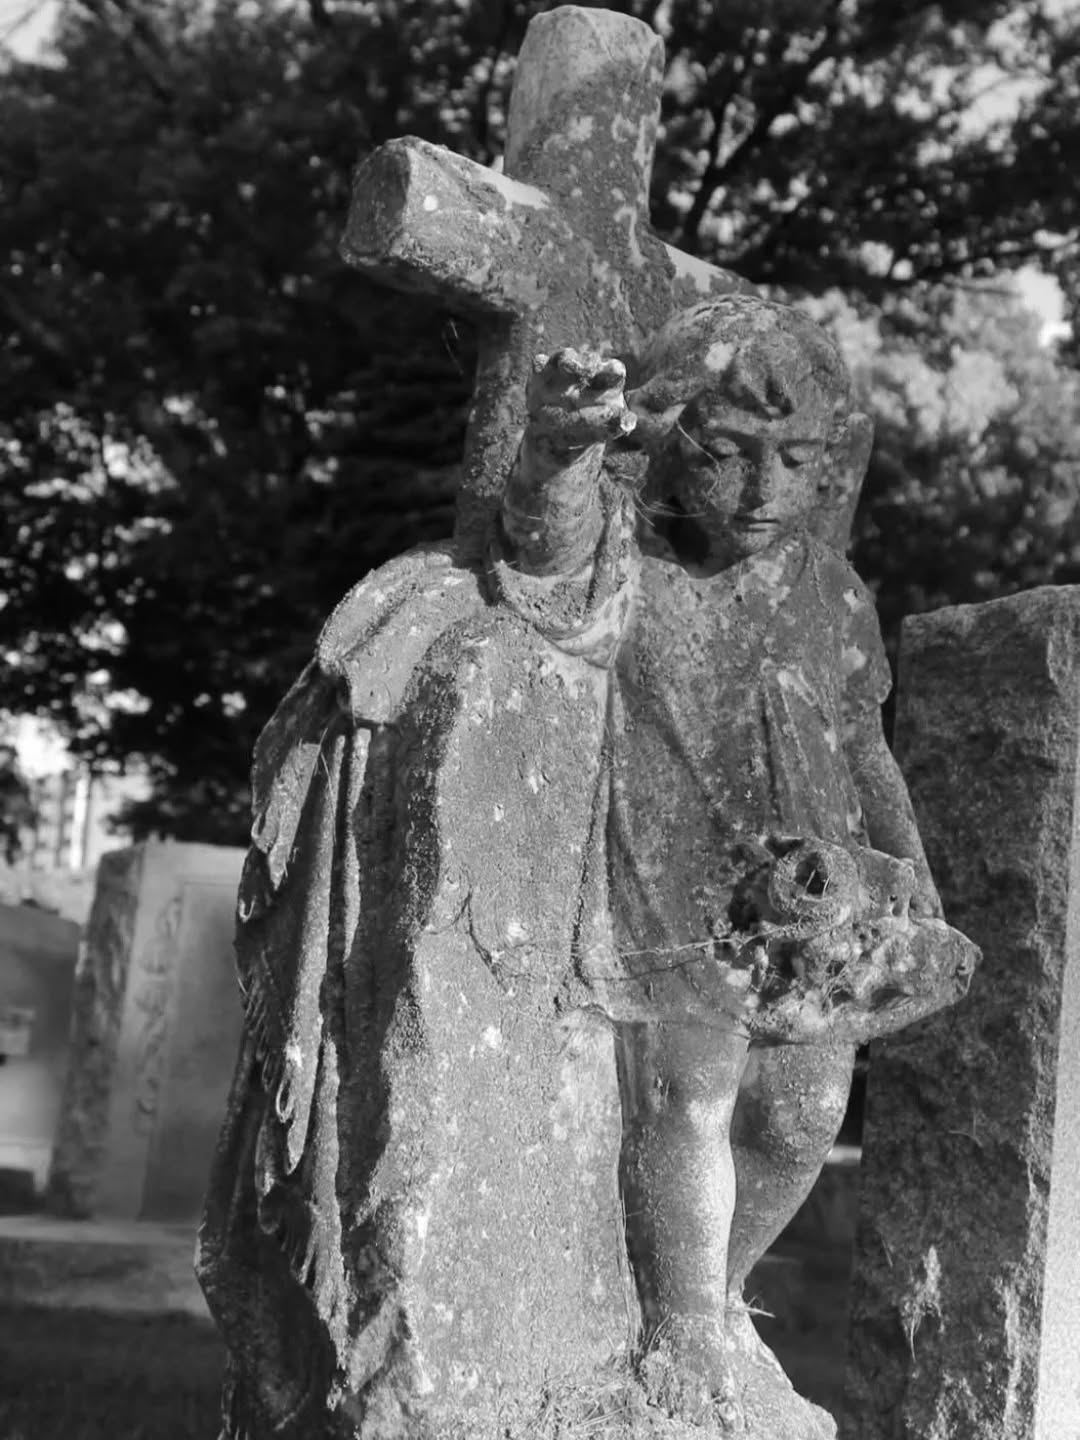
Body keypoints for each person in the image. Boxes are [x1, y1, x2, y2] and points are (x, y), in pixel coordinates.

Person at [493, 294, 974, 1420]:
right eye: (729, 454)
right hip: (669, 868)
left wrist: (915, 879)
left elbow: (865, 743)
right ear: (664, 436)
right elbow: (541, 542)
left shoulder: (832, 588)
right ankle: (682, 1334)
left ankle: (718, 1294)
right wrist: (559, 447)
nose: (763, 493)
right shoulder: (630, 544)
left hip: (819, 890)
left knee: (803, 1115)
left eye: (795, 460)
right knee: (693, 1093)